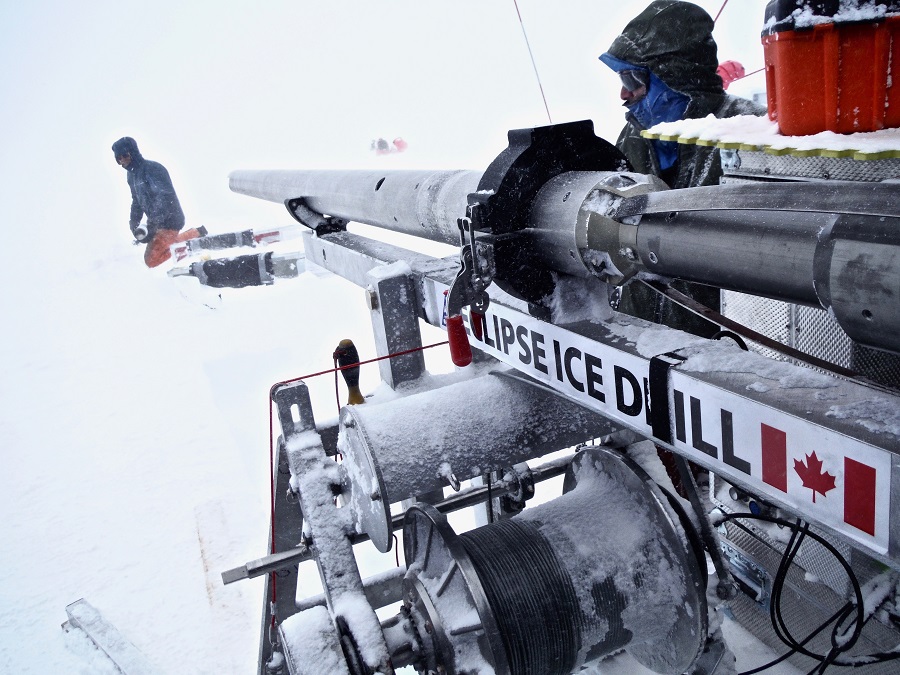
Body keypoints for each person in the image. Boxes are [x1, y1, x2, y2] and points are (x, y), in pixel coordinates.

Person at [599, 0, 766, 336]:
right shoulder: (632, 135)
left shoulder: (749, 133)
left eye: (632, 79)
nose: (623, 93)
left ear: (674, 76)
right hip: (641, 341)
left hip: (725, 353)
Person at [111, 137, 205, 268]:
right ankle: (192, 235)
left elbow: (164, 198)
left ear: (133, 152)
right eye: (118, 159)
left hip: (171, 220)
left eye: (125, 155)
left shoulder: (153, 169)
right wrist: (134, 223)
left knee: (152, 260)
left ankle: (193, 238)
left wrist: (152, 225)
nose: (123, 161)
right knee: (154, 254)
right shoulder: (131, 176)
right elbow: (137, 201)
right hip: (157, 222)